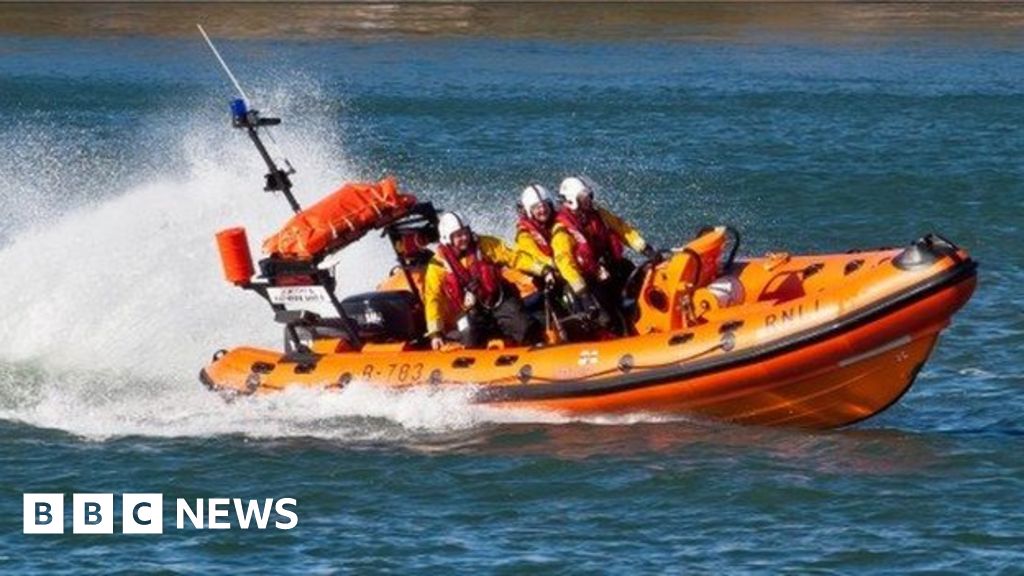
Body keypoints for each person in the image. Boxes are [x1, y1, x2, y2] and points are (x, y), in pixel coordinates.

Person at [424, 211, 556, 350]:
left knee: (525, 327)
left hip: (498, 300)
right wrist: (435, 332)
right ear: (447, 238)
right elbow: (433, 297)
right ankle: (456, 339)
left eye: (466, 232)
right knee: (470, 340)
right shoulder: (438, 264)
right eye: (458, 235)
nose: (464, 238)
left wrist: (543, 269)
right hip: (469, 310)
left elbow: (514, 258)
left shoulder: (485, 245)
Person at [552, 176, 659, 334]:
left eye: (588, 196)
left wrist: (646, 250)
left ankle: (651, 321)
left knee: (642, 280)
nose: (588, 200)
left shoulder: (599, 214)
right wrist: (583, 293)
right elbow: (565, 263)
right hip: (587, 280)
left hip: (610, 267)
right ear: (572, 201)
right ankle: (618, 334)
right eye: (583, 198)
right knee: (607, 318)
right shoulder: (562, 230)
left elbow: (623, 229)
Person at [514, 184, 557, 269]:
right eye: (537, 207)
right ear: (529, 210)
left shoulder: (558, 221)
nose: (543, 210)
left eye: (545, 205)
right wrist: (554, 263)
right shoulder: (523, 234)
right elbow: (535, 254)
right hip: (537, 269)